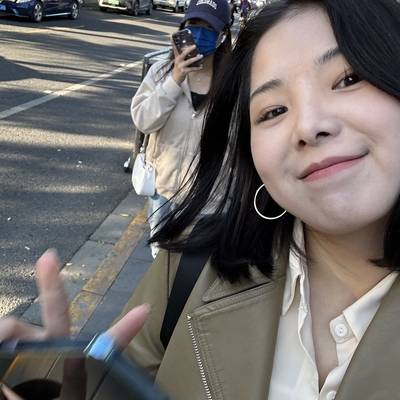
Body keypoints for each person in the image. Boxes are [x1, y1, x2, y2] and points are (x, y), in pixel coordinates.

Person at [1, 1, 400, 399]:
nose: (309, 127)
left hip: (212, 201)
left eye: (348, 79)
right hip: (168, 189)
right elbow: (143, 119)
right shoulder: (187, 271)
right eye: (274, 110)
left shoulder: (226, 79)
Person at [130, 0, 232, 258]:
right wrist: (175, 79)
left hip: (210, 199)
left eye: (208, 27)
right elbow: (143, 120)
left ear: (222, 35)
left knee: (197, 268)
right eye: (194, 24)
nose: (199, 33)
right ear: (183, 28)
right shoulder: (160, 72)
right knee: (161, 262)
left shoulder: (233, 82)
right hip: (163, 193)